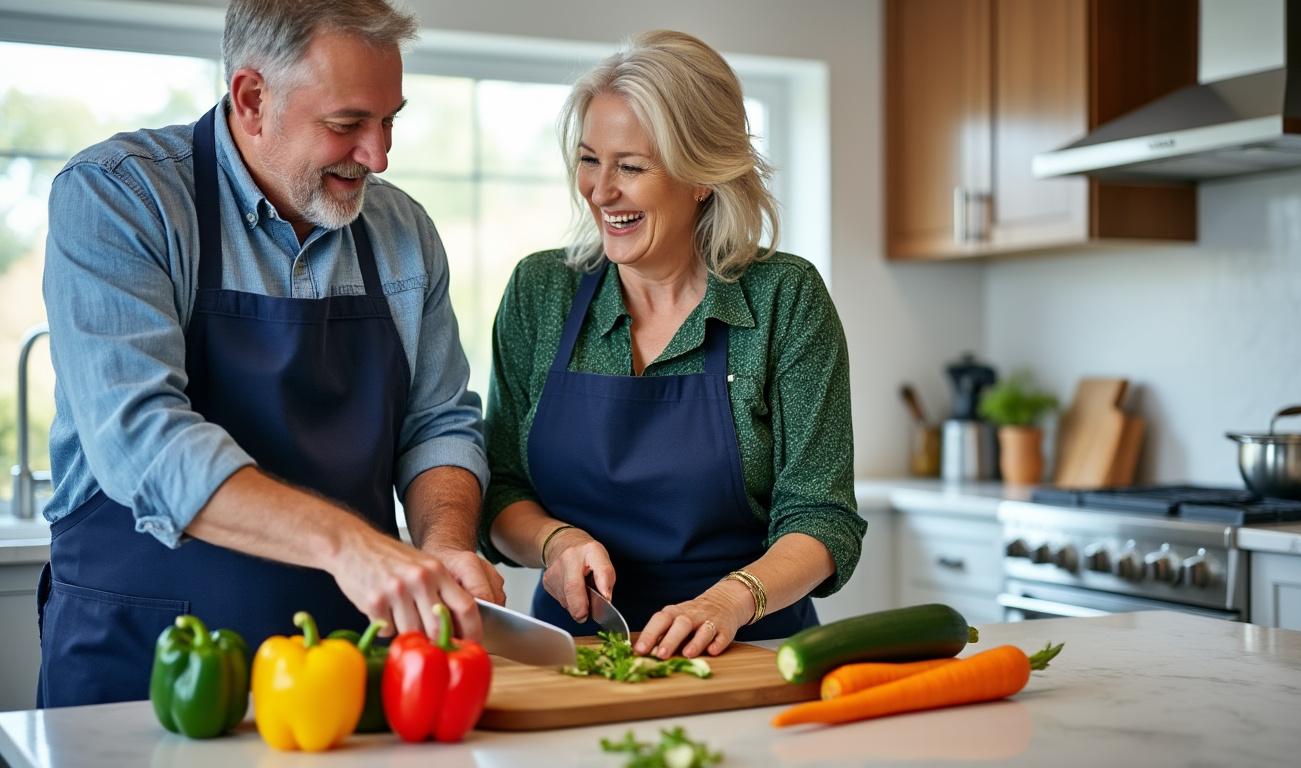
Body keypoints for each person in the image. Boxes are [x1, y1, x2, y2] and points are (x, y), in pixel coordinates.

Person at [37, 0, 502, 708]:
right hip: (147, 665)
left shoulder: (403, 231)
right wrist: (352, 548)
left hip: (343, 669)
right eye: (347, 124)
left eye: (390, 121)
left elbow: (439, 423)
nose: (378, 156)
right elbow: (142, 440)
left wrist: (442, 541)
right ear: (252, 99)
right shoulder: (121, 198)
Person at [482, 30, 865, 659]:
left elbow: (822, 515)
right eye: (588, 159)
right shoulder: (540, 291)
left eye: (630, 167)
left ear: (702, 178)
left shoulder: (783, 298)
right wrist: (555, 543)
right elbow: (501, 488)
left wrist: (728, 601)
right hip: (573, 653)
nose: (599, 191)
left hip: (750, 652)